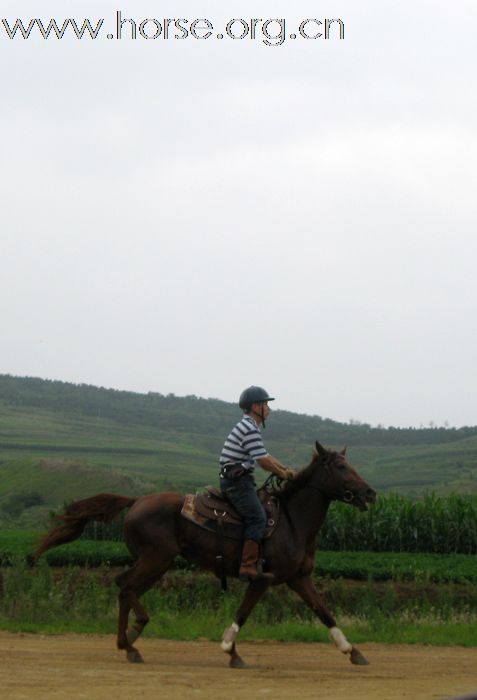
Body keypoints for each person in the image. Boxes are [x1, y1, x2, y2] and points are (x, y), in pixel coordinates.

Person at [219, 386, 295, 581]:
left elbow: (266, 455)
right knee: (258, 517)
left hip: (237, 480)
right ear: (255, 407)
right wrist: (283, 475)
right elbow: (263, 462)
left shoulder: (248, 426)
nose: (268, 408)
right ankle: (248, 566)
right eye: (265, 404)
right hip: (237, 483)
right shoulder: (250, 428)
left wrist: (285, 469)